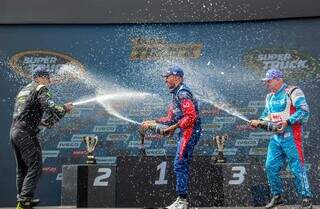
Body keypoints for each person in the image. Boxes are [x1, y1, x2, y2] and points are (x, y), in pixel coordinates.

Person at [10, 66, 73, 209]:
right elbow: (50, 107)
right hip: (26, 133)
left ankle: (21, 201)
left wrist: (45, 121)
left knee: (22, 169)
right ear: (40, 77)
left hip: (15, 131)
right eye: (47, 78)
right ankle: (25, 199)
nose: (48, 82)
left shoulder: (24, 90)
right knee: (35, 166)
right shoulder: (40, 88)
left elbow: (27, 112)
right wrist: (64, 108)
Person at [250, 68, 312, 209]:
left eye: (269, 81)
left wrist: (288, 122)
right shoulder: (269, 97)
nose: (267, 83)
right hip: (276, 138)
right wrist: (259, 121)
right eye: (266, 81)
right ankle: (277, 196)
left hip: (292, 136)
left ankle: (306, 198)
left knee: (297, 168)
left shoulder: (293, 92)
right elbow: (267, 114)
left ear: (278, 79)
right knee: (270, 166)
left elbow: (304, 110)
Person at [141, 66, 201, 209]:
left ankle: (182, 201)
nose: (165, 80)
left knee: (180, 164)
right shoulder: (176, 95)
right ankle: (182, 200)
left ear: (178, 78)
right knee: (180, 164)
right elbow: (170, 118)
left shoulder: (183, 94)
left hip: (190, 132)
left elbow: (191, 117)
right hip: (184, 131)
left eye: (168, 77)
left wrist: (172, 128)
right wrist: (153, 122)